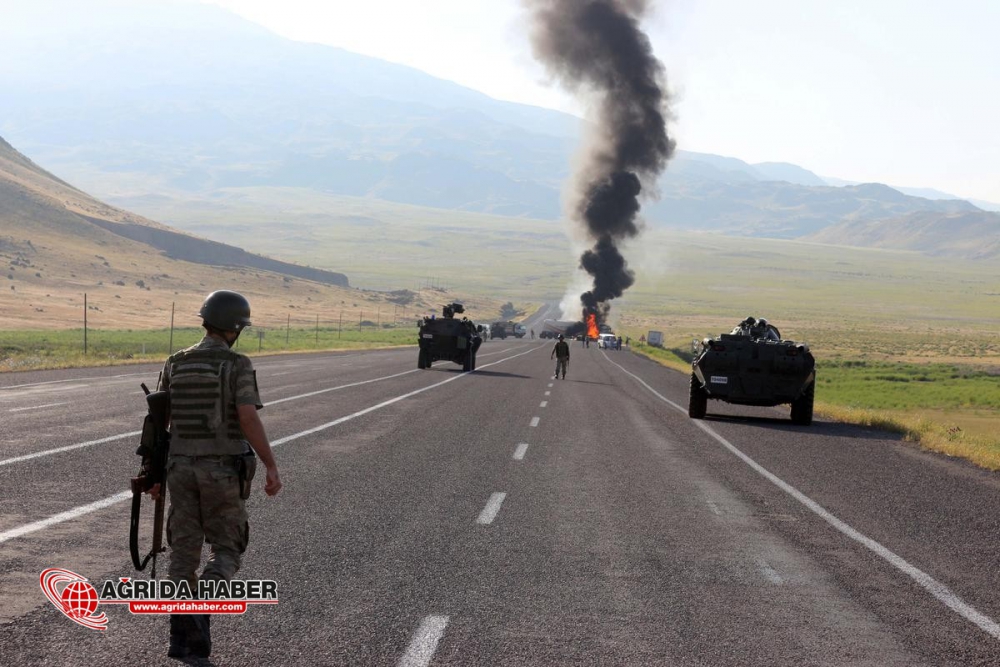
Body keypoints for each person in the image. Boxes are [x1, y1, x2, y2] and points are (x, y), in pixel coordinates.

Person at [153, 290, 282, 660]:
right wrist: (271, 464)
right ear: (236, 327)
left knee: (183, 554)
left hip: (179, 469)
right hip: (222, 472)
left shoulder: (175, 362)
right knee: (227, 550)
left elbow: (159, 422)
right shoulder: (236, 364)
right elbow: (247, 416)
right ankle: (198, 614)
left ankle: (182, 638)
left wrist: (155, 475)